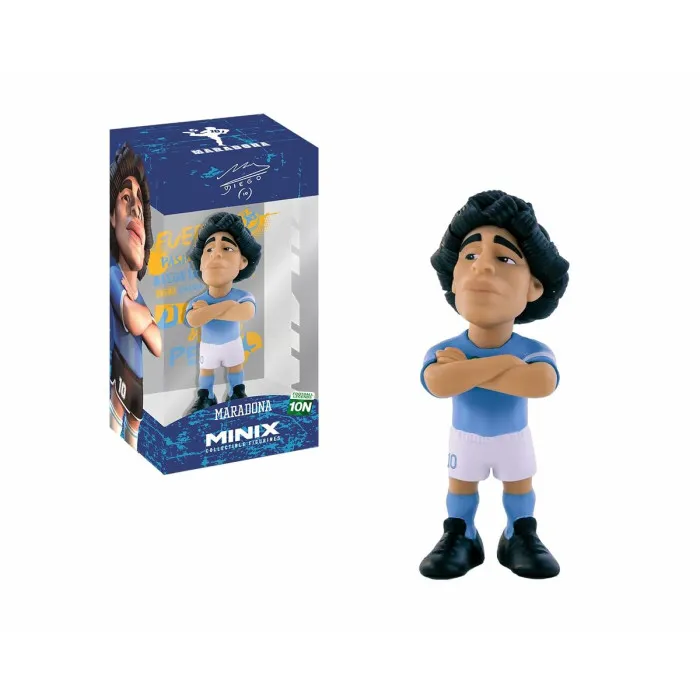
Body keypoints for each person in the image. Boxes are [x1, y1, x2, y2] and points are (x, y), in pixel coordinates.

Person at [419, 190, 569, 580]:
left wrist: (468, 369)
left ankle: (520, 533)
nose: (482, 266)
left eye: (504, 258)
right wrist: (505, 365)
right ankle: (461, 534)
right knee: (460, 488)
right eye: (470, 256)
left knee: (519, 487)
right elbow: (437, 383)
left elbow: (541, 382)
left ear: (533, 287)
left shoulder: (531, 350)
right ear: (454, 278)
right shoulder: (445, 350)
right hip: (465, 439)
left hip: (513, 438)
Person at [109, 143, 162, 448]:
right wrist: (144, 319)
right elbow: (133, 318)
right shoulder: (110, 274)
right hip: (117, 377)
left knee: (134, 442)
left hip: (138, 386)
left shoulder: (137, 294)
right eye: (126, 198)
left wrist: (144, 319)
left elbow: (157, 344)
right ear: (111, 217)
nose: (136, 209)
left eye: (139, 200)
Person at [184, 212, 262, 414]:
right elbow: (193, 320)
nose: (216, 254)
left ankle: (237, 392)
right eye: (209, 249)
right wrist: (226, 305)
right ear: (201, 263)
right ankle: (206, 396)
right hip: (208, 346)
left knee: (236, 369)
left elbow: (245, 313)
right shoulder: (198, 301)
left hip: (232, 344)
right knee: (205, 373)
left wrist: (207, 311)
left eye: (227, 248)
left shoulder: (241, 296)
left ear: (242, 261)